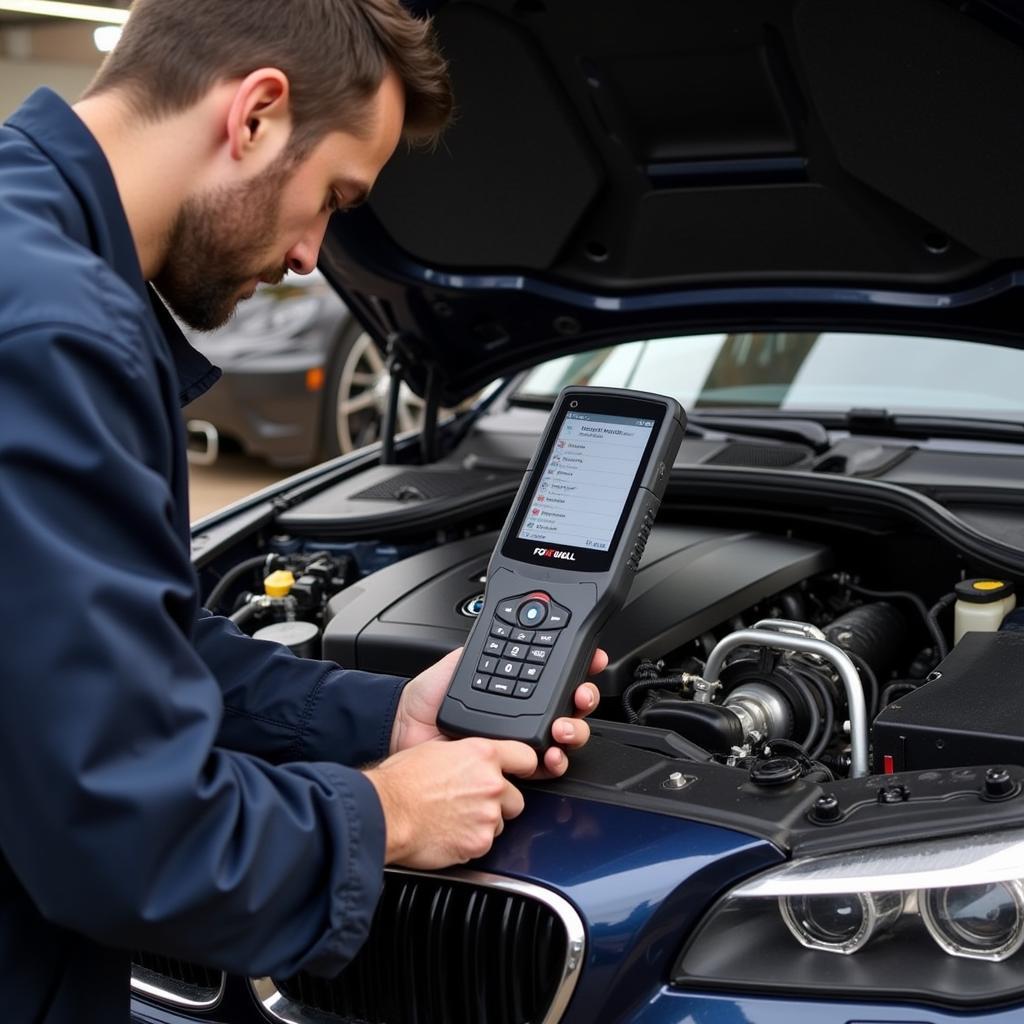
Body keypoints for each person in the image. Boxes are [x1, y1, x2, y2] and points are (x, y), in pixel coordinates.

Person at [0, 1, 603, 1020]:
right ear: (256, 115)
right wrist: (384, 814)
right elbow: (125, 838)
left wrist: (381, 715)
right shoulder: (58, 334)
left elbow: (99, 653)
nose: (311, 254)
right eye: (332, 196)